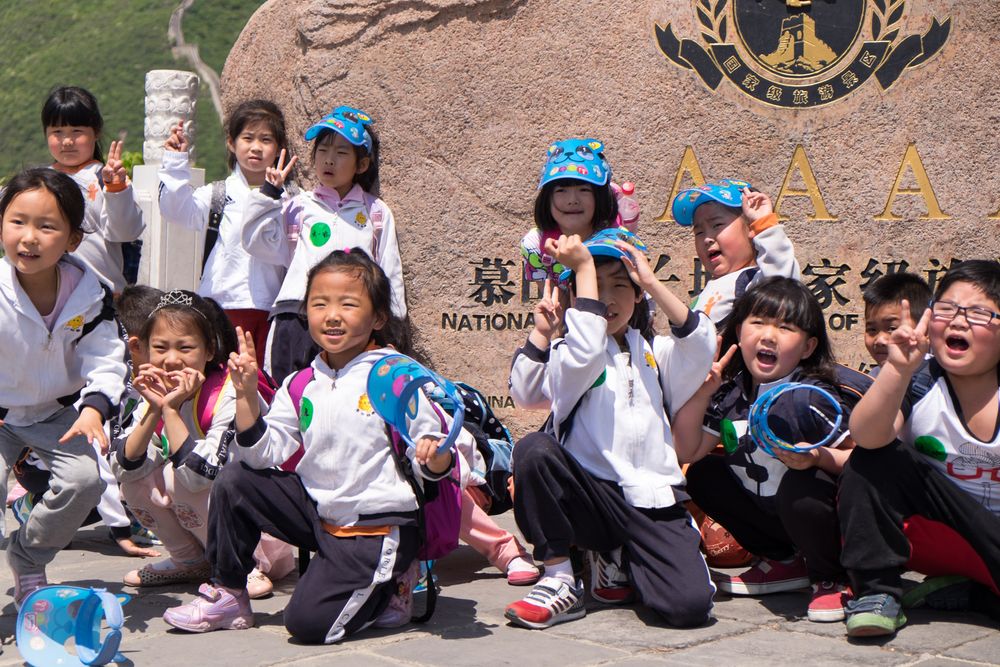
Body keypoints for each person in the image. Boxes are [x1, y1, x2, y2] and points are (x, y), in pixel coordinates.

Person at [162, 249, 455, 643]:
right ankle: (230, 594)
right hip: (320, 515)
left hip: (375, 526)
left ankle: (394, 583)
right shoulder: (302, 383)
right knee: (236, 479)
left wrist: (434, 457)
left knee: (306, 625)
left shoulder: (396, 376)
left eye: (348, 304)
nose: (332, 315)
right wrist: (247, 395)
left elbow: (433, 453)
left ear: (379, 318)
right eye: (320, 304)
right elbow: (261, 454)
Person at [504, 228, 717, 630]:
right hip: (594, 496)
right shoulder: (572, 354)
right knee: (534, 451)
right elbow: (558, 366)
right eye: (594, 285)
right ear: (574, 298)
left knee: (689, 607)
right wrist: (576, 274)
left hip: (653, 499)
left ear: (638, 295)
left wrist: (652, 281)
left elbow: (702, 345)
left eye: (619, 285)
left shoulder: (657, 351)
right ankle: (559, 578)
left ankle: (618, 558)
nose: (606, 298)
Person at [673, 277, 859, 623]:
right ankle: (784, 561)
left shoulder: (811, 396)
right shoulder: (730, 393)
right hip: (773, 518)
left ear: (807, 347)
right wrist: (701, 392)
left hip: (821, 520)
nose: (768, 335)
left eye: (785, 327)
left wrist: (818, 457)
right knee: (703, 475)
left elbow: (860, 458)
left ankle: (830, 577)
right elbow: (688, 451)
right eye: (757, 322)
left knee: (800, 485)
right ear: (739, 332)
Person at [839, 260, 1000, 637]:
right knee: (873, 460)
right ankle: (877, 592)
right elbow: (867, 438)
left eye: (978, 313)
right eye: (946, 309)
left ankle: (972, 592)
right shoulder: (920, 381)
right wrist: (898, 371)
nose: (958, 321)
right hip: (939, 529)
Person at [0, 168, 126, 607]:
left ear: (73, 240)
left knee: (84, 481)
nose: (29, 237)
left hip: (55, 412)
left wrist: (93, 408)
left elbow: (107, 357)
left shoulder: (91, 295)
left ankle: (29, 559)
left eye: (46, 226)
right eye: (17, 222)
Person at [111, 290, 279, 597]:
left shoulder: (228, 390)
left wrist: (171, 411)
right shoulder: (151, 391)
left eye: (185, 348)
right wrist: (154, 409)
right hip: (204, 516)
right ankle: (189, 560)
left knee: (181, 477)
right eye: (160, 348)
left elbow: (202, 473)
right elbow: (123, 465)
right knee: (136, 481)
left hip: (261, 529)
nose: (171, 360)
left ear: (209, 350)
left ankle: (239, 566)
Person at [242, 105, 405, 384]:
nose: (329, 160)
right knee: (288, 392)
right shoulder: (298, 206)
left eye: (341, 153)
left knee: (347, 391)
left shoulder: (376, 212)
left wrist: (393, 326)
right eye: (323, 151)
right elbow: (255, 242)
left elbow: (389, 269)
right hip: (295, 316)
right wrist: (269, 195)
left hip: (352, 320)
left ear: (362, 164)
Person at [158, 100, 295, 365]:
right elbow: (176, 211)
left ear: (279, 147)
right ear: (231, 143)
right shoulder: (218, 194)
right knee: (219, 385)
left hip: (272, 309)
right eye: (248, 137)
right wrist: (175, 162)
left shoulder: (292, 200)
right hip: (221, 306)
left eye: (266, 139)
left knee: (264, 387)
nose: (256, 147)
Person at [41, 86, 145, 292]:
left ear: (95, 132)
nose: (67, 141)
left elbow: (125, 232)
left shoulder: (106, 179)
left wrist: (116, 189)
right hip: (47, 300)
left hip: (100, 298)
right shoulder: (37, 181)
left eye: (77, 131)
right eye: (57, 132)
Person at [671, 179, 798, 327]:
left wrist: (764, 226)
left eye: (717, 225)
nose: (706, 238)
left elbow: (783, 279)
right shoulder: (707, 292)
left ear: (751, 227)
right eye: (699, 232)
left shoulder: (754, 282)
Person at [520, 138, 621, 284]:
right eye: (561, 190)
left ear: (600, 197)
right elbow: (550, 295)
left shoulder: (618, 242)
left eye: (584, 190)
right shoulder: (535, 244)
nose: (572, 200)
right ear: (546, 199)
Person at [861, 272, 932, 376]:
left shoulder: (940, 380)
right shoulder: (873, 378)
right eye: (872, 329)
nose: (880, 340)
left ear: (925, 330)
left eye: (892, 328)